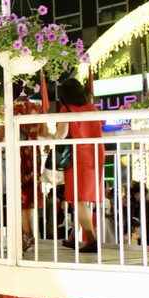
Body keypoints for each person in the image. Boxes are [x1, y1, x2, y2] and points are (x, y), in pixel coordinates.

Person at [49, 76, 104, 254]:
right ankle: (74, 237)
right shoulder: (91, 108)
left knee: (79, 199)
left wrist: (49, 139)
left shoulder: (67, 109)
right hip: (96, 153)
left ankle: (92, 239)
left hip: (79, 155)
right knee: (84, 197)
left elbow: (61, 135)